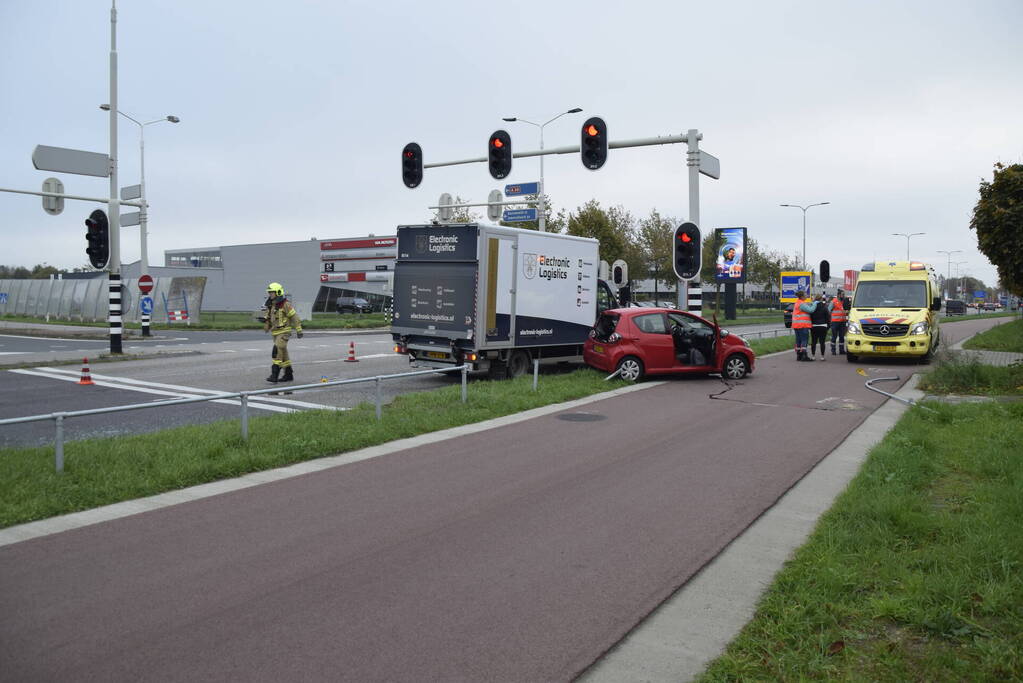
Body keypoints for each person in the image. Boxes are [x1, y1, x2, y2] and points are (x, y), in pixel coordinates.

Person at [263, 282, 303, 383]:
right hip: (275, 333)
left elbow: (294, 317)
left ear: (278, 292)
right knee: (283, 353)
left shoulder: (285, 304)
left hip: (284, 332)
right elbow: (268, 317)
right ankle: (288, 374)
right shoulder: (271, 304)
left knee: (276, 350)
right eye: (269, 293)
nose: (270, 294)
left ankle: (274, 375)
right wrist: (266, 324)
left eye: (272, 292)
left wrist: (299, 329)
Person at [791, 290, 814, 361]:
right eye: (805, 294)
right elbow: (811, 310)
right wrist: (815, 304)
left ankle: (799, 355)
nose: (807, 295)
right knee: (804, 340)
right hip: (803, 325)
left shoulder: (797, 303)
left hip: (796, 325)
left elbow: (806, 306)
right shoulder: (801, 304)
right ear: (802, 296)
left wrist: (810, 303)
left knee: (798, 340)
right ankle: (804, 356)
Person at [809, 293, 831, 360]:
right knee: (822, 342)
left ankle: (813, 356)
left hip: (814, 326)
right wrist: (828, 326)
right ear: (821, 299)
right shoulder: (824, 307)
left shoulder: (813, 307)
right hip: (823, 326)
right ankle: (822, 356)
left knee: (814, 342)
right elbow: (828, 317)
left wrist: (811, 325)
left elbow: (810, 316)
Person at [829, 288, 849, 355]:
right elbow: (828, 310)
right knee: (834, 336)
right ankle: (833, 350)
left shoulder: (843, 302)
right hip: (835, 322)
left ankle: (841, 350)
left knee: (841, 336)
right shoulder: (833, 301)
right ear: (838, 295)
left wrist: (846, 312)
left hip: (842, 322)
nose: (843, 296)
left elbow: (845, 310)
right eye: (842, 294)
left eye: (844, 294)